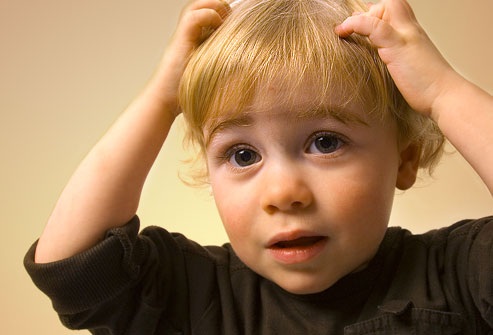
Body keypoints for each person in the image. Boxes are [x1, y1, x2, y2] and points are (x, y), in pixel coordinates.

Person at [24, 0, 493, 333]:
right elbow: (70, 263)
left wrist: (442, 93)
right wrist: (161, 99)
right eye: (243, 155)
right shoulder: (196, 294)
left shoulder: (455, 275)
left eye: (325, 142)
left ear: (405, 159)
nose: (283, 192)